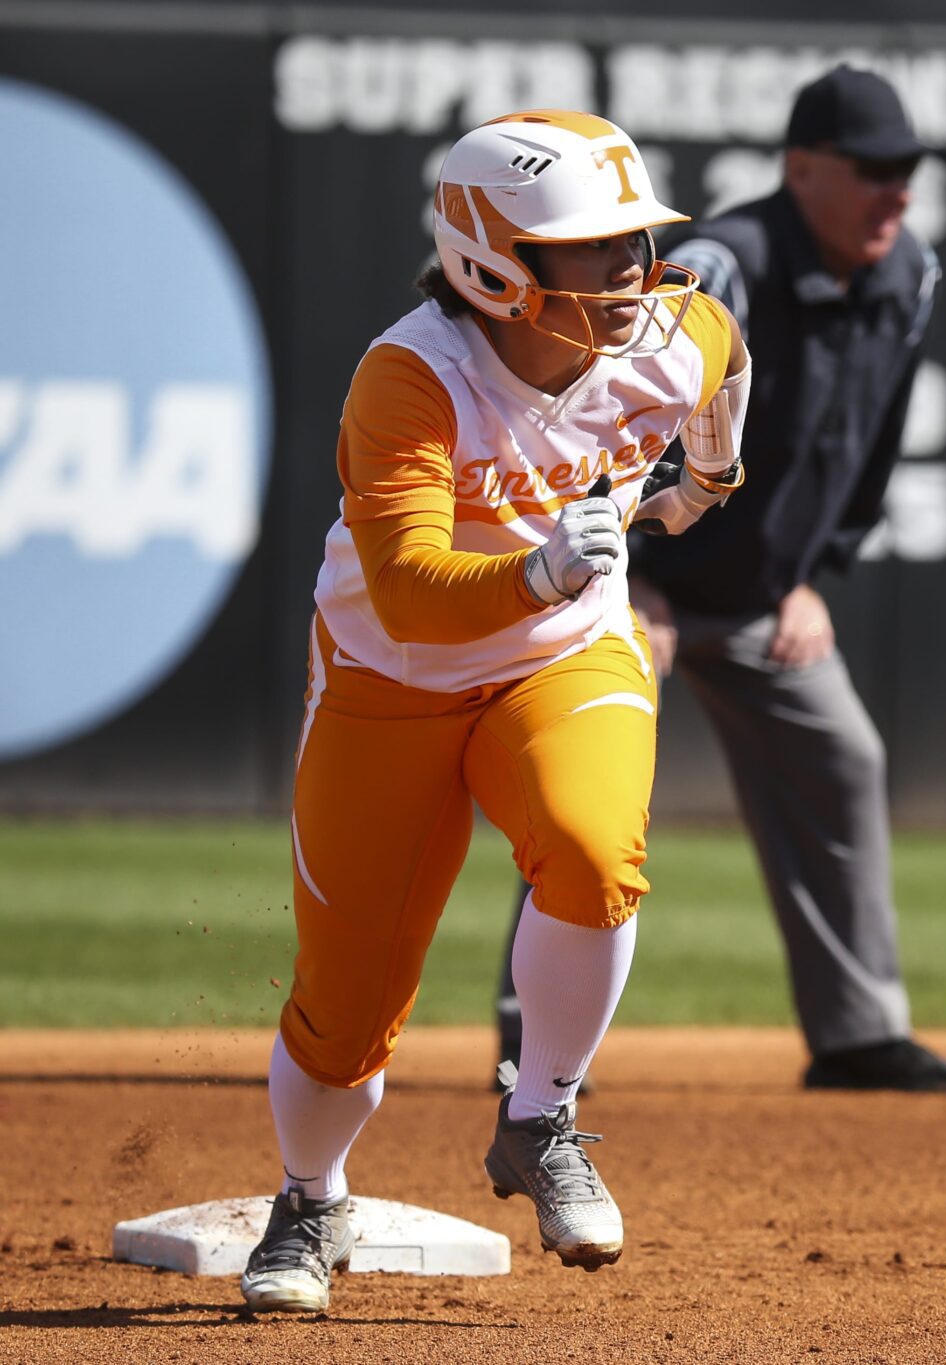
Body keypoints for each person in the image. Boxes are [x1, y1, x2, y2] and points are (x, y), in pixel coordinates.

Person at [240, 108, 749, 1314]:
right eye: (591, 245)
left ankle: (541, 1118)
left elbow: (722, 364)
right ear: (490, 257)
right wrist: (535, 569)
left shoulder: (676, 327)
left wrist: (705, 481)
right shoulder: (411, 376)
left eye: (636, 237)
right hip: (389, 680)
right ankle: (311, 1197)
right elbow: (411, 597)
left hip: (561, 657)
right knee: (345, 1005)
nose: (629, 268)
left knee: (588, 847)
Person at [493, 67, 946, 1095]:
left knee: (842, 757)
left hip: (760, 597)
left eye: (908, 170)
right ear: (800, 169)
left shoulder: (910, 275)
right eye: (873, 170)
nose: (897, 191)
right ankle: (526, 1039)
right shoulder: (724, 263)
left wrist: (814, 574)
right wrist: (628, 572)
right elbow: (602, 419)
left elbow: (870, 443)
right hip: (637, 585)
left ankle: (855, 1034)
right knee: (584, 792)